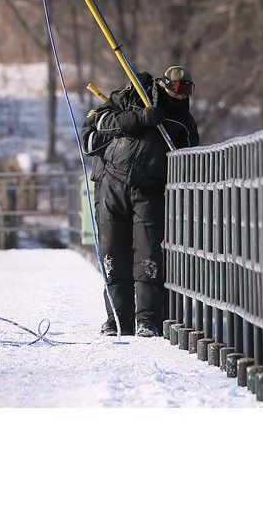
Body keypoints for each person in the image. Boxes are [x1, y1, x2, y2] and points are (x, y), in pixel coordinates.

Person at [81, 66, 199, 338]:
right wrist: (138, 118)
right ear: (164, 84)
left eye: (187, 91)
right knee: (113, 251)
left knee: (149, 254)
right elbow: (101, 122)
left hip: (151, 191)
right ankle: (117, 318)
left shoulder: (183, 122)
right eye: (177, 89)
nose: (181, 96)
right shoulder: (134, 96)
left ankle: (147, 319)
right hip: (112, 182)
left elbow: (190, 161)